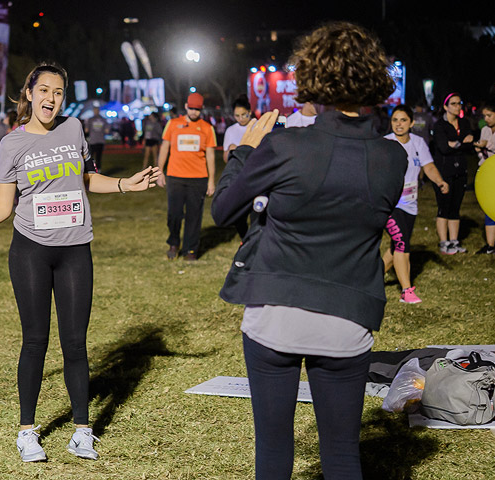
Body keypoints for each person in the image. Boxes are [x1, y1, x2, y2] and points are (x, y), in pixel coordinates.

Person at [0, 62, 160, 463]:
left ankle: (82, 431)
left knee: (75, 342)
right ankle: (27, 432)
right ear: (29, 93)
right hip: (31, 251)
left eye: (58, 92)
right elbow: (4, 206)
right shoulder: (12, 143)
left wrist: (126, 183)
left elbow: (88, 179)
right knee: (35, 340)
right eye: (44, 90)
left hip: (75, 248)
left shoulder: (73, 129)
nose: (50, 99)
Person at [211, 22, 406, 479]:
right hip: (347, 318)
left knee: (274, 454)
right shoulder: (393, 157)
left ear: (312, 80)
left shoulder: (285, 146)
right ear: (373, 81)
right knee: (342, 456)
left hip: (276, 313)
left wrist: (244, 150)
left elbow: (223, 209)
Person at [383, 105, 449, 303]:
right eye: (395, 120)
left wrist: (439, 181)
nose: (399, 124)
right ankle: (406, 291)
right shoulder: (385, 144)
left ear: (411, 123)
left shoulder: (418, 143)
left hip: (410, 204)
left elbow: (428, 166)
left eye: (403, 120)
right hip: (390, 205)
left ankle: (371, 277)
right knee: (403, 244)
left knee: (396, 246)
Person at [157, 92, 216, 261]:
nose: (194, 112)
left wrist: (211, 180)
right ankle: (174, 242)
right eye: (191, 108)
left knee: (194, 216)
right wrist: (160, 170)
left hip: (198, 178)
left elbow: (211, 155)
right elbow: (164, 148)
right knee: (174, 214)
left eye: (197, 109)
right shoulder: (173, 124)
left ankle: (191, 250)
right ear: (185, 107)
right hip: (175, 177)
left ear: (201, 109)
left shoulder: (207, 128)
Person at [432, 93, 474, 254]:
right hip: (444, 171)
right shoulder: (439, 125)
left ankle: (454, 241)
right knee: (444, 206)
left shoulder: (464, 123)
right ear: (445, 106)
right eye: (453, 103)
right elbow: (443, 147)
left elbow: (470, 146)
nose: (457, 106)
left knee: (455, 207)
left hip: (460, 170)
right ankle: (444, 242)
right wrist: (462, 142)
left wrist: (456, 144)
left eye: (459, 103)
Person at [223, 95, 254, 239]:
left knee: (256, 210)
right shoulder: (231, 131)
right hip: (237, 176)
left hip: (255, 174)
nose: (241, 118)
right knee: (238, 210)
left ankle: (255, 239)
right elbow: (225, 158)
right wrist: (230, 151)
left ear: (250, 111)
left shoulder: (258, 127)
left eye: (244, 115)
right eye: (237, 116)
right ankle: (245, 237)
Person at [473, 101, 495, 254]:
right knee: (490, 207)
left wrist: (488, 145)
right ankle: (490, 245)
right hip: (489, 173)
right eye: (484, 116)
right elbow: (483, 153)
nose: (487, 119)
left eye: (489, 115)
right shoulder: (484, 129)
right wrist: (480, 150)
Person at [84, 105, 107, 171]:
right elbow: (107, 130)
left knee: (91, 157)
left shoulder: (90, 119)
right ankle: (98, 170)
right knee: (98, 157)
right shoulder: (103, 119)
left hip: (93, 140)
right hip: (100, 140)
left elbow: (86, 130)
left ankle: (92, 170)